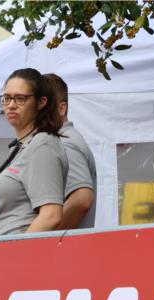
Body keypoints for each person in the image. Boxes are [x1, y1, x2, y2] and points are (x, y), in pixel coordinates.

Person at [0, 68, 68, 236]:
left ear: (41, 102)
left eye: (20, 98)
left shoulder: (42, 144)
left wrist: (16, 252)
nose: (11, 105)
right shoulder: (26, 144)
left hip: (19, 254)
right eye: (7, 98)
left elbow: (51, 215)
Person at [42, 73, 98, 230]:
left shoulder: (63, 143)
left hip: (61, 251)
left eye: (43, 106)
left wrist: (41, 240)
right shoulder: (62, 140)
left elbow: (81, 199)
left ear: (62, 108)